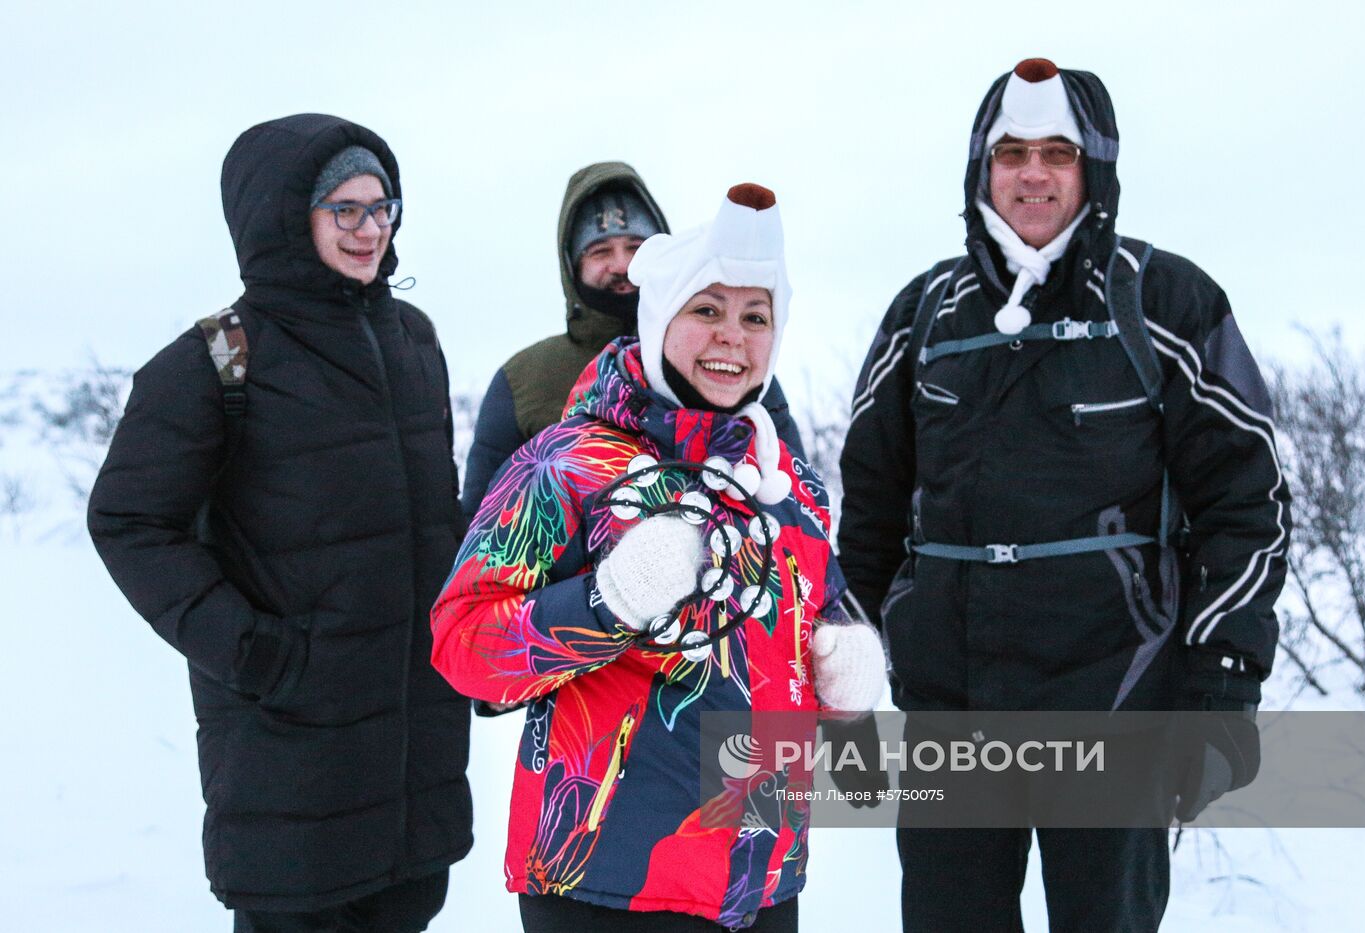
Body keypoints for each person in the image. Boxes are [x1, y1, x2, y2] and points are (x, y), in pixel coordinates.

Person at [837, 59, 1291, 931]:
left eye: (1057, 152)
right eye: (1012, 153)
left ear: (1094, 168)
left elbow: (1247, 502)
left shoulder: (1164, 300)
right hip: (950, 708)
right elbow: (870, 512)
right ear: (983, 168)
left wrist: (1222, 679)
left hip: (1116, 698)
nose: (1034, 173)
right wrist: (848, 673)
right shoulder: (922, 314)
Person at [432, 184, 886, 931]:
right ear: (659, 317)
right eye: (706, 309)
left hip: (761, 882)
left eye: (754, 316)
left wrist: (843, 679)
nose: (730, 337)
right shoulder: (568, 464)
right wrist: (604, 603)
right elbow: (461, 643)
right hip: (607, 887)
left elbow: (813, 634)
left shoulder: (788, 487)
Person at [88, 114, 473, 932]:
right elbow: (126, 520)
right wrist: (255, 651)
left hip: (412, 767)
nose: (372, 229)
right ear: (282, 215)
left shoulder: (413, 341)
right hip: (290, 769)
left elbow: (431, 517)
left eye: (383, 207)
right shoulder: (216, 360)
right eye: (346, 209)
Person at [459, 162, 804, 526]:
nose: (622, 264)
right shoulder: (525, 378)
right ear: (571, 265)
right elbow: (482, 530)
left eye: (635, 247)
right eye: (601, 251)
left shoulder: (733, 374)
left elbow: (797, 514)